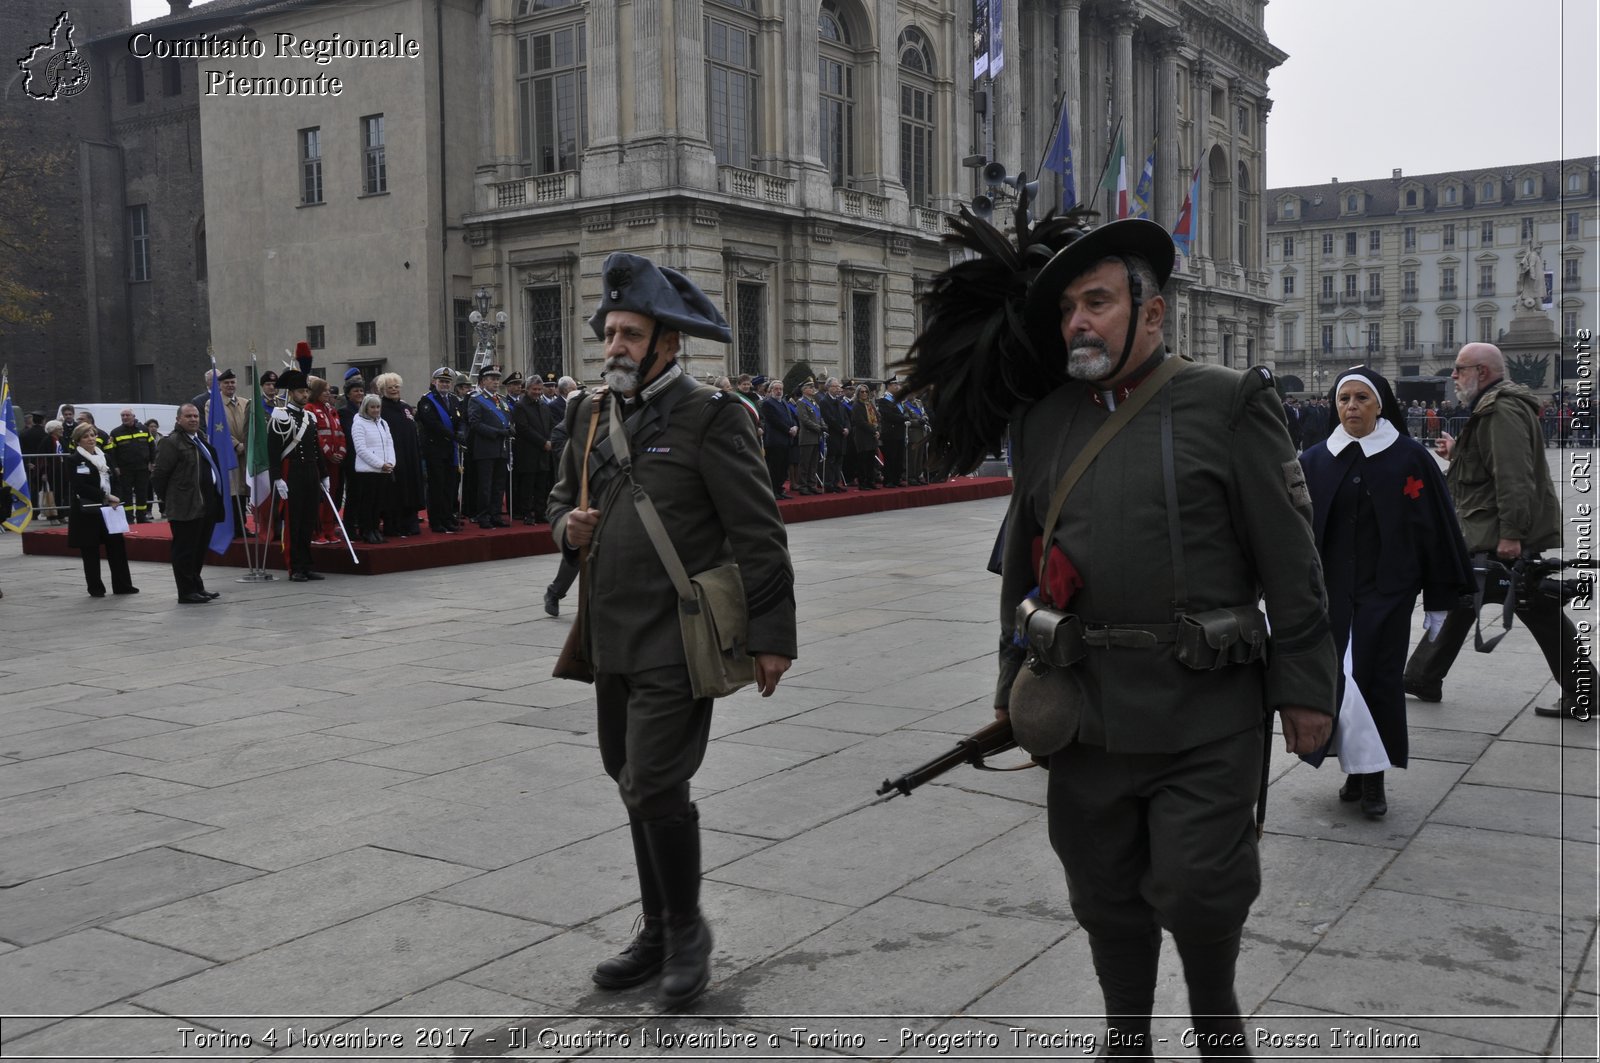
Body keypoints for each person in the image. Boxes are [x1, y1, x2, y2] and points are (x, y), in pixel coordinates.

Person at [908, 213, 1337, 1056]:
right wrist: (1012, 693)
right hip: (1084, 711)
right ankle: (1126, 1037)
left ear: (1153, 311)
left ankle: (1219, 1029)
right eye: (1068, 306)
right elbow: (1022, 570)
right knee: (1101, 889)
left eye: (1097, 300)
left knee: (1202, 886)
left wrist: (1307, 690)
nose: (1078, 321)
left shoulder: (1228, 402)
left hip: (1203, 709)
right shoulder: (1045, 421)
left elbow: (1295, 564)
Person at [547, 252, 797, 1008]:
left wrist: (772, 634)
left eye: (630, 333)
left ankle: (687, 931)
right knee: (629, 777)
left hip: (677, 636)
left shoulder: (712, 416)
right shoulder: (588, 415)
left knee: (654, 777)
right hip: (608, 633)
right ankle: (656, 927)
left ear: (667, 343)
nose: (614, 346)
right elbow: (558, 498)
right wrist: (568, 527)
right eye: (609, 333)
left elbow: (760, 533)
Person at [1298, 367, 1473, 818]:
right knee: (1342, 680)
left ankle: (1372, 779)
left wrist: (1439, 598)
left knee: (1374, 680)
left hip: (1388, 591)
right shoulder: (1315, 460)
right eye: (1344, 399)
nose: (1351, 407)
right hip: (1333, 595)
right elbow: (1296, 533)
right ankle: (1356, 771)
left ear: (1380, 405)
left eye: (1361, 398)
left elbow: (1435, 531)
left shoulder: (1409, 459)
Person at [1404, 342, 1597, 722]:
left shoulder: (1499, 409)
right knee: (1469, 600)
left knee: (1523, 605)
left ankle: (1585, 691)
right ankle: (1421, 676)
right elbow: (1491, 466)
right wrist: (1460, 453)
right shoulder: (1494, 407)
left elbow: (1514, 476)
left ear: (1483, 372)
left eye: (1460, 369)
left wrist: (1512, 533)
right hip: (1487, 528)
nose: (1454, 376)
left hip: (1496, 533)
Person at [151, 404, 225, 604]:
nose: (193, 419)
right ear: (178, 419)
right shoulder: (172, 442)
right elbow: (159, 475)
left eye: (196, 416)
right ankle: (186, 591)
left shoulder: (200, 439)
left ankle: (196, 586)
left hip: (206, 503)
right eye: (188, 416)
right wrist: (171, 498)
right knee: (185, 550)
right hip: (185, 505)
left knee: (199, 548)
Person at [266, 369, 329, 582]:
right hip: (291, 472)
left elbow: (316, 448)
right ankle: (294, 567)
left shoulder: (309, 417)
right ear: (292, 393)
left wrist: (324, 474)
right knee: (294, 522)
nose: (305, 395)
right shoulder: (280, 416)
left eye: (306, 391)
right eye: (301, 391)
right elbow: (273, 450)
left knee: (309, 520)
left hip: (310, 472)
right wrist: (277, 478)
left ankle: (306, 563)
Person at [66, 422, 138, 597]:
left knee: (117, 547)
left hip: (109, 509)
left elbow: (115, 480)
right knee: (90, 551)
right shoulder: (74, 460)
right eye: (86, 436)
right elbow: (79, 486)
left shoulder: (105, 456)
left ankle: (123, 585)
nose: (91, 439)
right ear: (78, 440)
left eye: (92, 435)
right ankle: (96, 588)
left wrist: (117, 497)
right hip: (87, 510)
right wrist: (105, 496)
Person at [371, 373, 424, 538]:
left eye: (396, 387)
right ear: (382, 390)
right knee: (395, 492)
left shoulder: (406, 407)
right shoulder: (381, 408)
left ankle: (411, 522)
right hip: (393, 456)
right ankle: (394, 525)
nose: (394, 390)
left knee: (411, 487)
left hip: (410, 454)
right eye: (390, 387)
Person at [416, 366, 464, 534]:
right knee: (437, 486)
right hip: (435, 449)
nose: (444, 384)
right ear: (434, 382)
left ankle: (447, 516)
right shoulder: (427, 400)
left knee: (450, 486)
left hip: (451, 449)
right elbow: (432, 423)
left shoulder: (454, 400)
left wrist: (461, 432)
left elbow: (461, 419)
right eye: (442, 381)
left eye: (447, 382)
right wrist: (453, 435)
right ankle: (436, 521)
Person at [466, 366, 512, 528]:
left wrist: (510, 429)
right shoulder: (476, 399)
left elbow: (507, 419)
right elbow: (475, 424)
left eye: (497, 379)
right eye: (492, 378)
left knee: (499, 485)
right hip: (485, 448)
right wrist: (498, 432)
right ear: (483, 381)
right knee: (485, 485)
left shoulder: (502, 400)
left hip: (502, 448)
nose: (495, 382)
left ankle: (496, 514)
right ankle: (483, 516)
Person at [305, 377, 348, 545]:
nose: (328, 393)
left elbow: (339, 433)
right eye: (324, 390)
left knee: (332, 494)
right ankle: (318, 531)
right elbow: (316, 436)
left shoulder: (331, 409)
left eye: (329, 390)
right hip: (320, 462)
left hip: (334, 463)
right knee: (320, 497)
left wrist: (341, 452)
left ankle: (329, 530)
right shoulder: (310, 409)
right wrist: (329, 453)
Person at [349, 393, 395, 544]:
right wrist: (380, 464)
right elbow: (361, 449)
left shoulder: (383, 423)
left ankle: (375, 529)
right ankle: (366, 530)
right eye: (372, 407)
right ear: (366, 408)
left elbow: (389, 444)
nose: (376, 410)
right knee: (367, 503)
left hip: (383, 470)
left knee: (378, 503)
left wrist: (390, 462)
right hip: (367, 471)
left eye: (378, 407)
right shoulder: (358, 424)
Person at [510, 371, 556, 523]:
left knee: (542, 485)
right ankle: (527, 513)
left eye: (539, 389)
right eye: (534, 389)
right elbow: (523, 429)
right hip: (528, 452)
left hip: (543, 453)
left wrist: (550, 440)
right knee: (527, 486)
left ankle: (540, 512)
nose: (537, 392)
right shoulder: (520, 406)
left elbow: (550, 425)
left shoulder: (543, 405)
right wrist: (543, 442)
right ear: (527, 389)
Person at [104, 409, 155, 524]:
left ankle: (142, 517)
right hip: (125, 469)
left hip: (142, 468)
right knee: (126, 494)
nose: (125, 417)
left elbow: (152, 446)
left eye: (127, 415)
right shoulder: (116, 432)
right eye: (123, 415)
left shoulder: (144, 429)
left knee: (142, 493)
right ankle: (129, 518)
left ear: (133, 416)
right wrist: (115, 467)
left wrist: (153, 462)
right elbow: (112, 452)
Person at [758, 380, 796, 498]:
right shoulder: (768, 403)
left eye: (780, 389)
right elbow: (774, 421)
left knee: (783, 468)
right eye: (776, 389)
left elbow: (791, 417)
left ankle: (780, 489)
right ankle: (773, 491)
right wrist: (789, 430)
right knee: (775, 468)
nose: (779, 391)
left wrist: (795, 426)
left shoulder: (784, 402)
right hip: (775, 441)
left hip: (786, 441)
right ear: (771, 390)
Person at [791, 379, 824, 495]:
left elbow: (820, 417)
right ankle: (803, 486)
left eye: (813, 387)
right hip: (807, 437)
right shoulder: (801, 402)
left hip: (816, 437)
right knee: (805, 463)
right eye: (810, 388)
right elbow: (804, 419)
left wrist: (824, 426)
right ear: (804, 390)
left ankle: (812, 484)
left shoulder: (815, 403)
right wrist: (818, 428)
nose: (813, 389)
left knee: (813, 464)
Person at [876, 378, 909, 486]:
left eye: (897, 384)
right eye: (895, 384)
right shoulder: (884, 400)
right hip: (890, 433)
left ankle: (897, 478)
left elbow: (903, 412)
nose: (897, 387)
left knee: (899, 458)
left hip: (900, 432)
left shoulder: (897, 400)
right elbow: (889, 415)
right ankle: (888, 480)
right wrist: (903, 418)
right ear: (889, 386)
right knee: (891, 457)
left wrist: (904, 417)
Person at [848, 383, 880, 488]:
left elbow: (877, 418)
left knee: (871, 460)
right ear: (858, 393)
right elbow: (860, 422)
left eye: (866, 391)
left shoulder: (870, 404)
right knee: (863, 461)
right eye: (862, 391)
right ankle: (863, 482)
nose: (864, 393)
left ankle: (871, 481)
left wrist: (878, 430)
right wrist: (874, 430)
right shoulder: (856, 405)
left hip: (872, 436)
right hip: (862, 436)